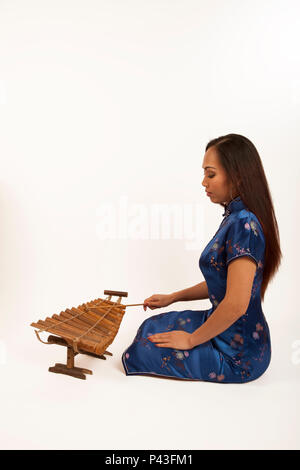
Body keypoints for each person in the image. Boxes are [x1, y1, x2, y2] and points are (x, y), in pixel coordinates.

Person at [121, 133, 282, 383]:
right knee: (152, 325)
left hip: (238, 354)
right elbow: (224, 282)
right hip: (221, 327)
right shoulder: (235, 218)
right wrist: (173, 297)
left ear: (237, 175)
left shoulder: (244, 224)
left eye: (211, 174)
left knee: (139, 352)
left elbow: (237, 304)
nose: (203, 182)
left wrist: (191, 339)